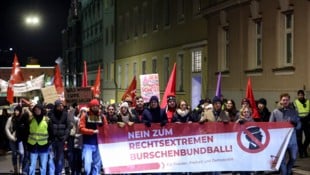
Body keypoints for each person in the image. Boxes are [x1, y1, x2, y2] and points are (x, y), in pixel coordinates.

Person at [269, 93, 301, 175]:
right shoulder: (275, 112)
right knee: (281, 160)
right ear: (280, 101)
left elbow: (299, 125)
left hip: (292, 141)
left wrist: (296, 124)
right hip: (280, 141)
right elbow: (270, 125)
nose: (285, 101)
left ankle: (288, 170)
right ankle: (285, 173)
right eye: (283, 100)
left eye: (287, 100)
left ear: (289, 101)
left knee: (293, 158)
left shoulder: (294, 112)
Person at [79, 99, 106, 175]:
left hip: (99, 144)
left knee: (97, 165)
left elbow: (106, 128)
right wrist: (92, 131)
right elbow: (81, 128)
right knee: (87, 165)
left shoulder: (102, 116)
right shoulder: (85, 116)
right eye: (93, 106)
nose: (95, 107)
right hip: (87, 144)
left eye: (96, 106)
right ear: (90, 106)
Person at [27, 104, 53, 175]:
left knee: (43, 166)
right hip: (33, 146)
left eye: (38, 109)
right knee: (31, 165)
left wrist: (49, 142)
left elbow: (51, 132)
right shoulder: (30, 120)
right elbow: (27, 132)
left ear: (41, 110)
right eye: (35, 110)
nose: (37, 111)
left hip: (44, 146)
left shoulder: (47, 120)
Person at [49, 100, 71, 175]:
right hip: (52, 139)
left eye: (62, 106)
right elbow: (49, 127)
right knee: (51, 158)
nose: (61, 107)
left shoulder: (65, 114)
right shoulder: (51, 114)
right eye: (59, 106)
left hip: (61, 140)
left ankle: (58, 172)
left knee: (60, 158)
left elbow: (68, 127)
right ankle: (52, 173)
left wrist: (65, 137)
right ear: (56, 106)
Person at [5, 105, 24, 174]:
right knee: (14, 154)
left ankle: (21, 167)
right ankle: (15, 168)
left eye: (18, 110)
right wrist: (11, 137)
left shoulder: (22, 118)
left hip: (20, 139)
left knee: (22, 153)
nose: (16, 112)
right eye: (15, 110)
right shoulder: (11, 119)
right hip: (12, 139)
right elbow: (6, 128)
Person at [293, 90, 310, 158]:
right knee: (299, 138)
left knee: (309, 137)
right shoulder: (295, 102)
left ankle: (304, 148)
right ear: (298, 95)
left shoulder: (308, 101)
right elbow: (293, 112)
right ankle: (301, 152)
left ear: (303, 95)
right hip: (299, 121)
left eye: (301, 95)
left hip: (307, 121)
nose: (300, 96)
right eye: (299, 95)